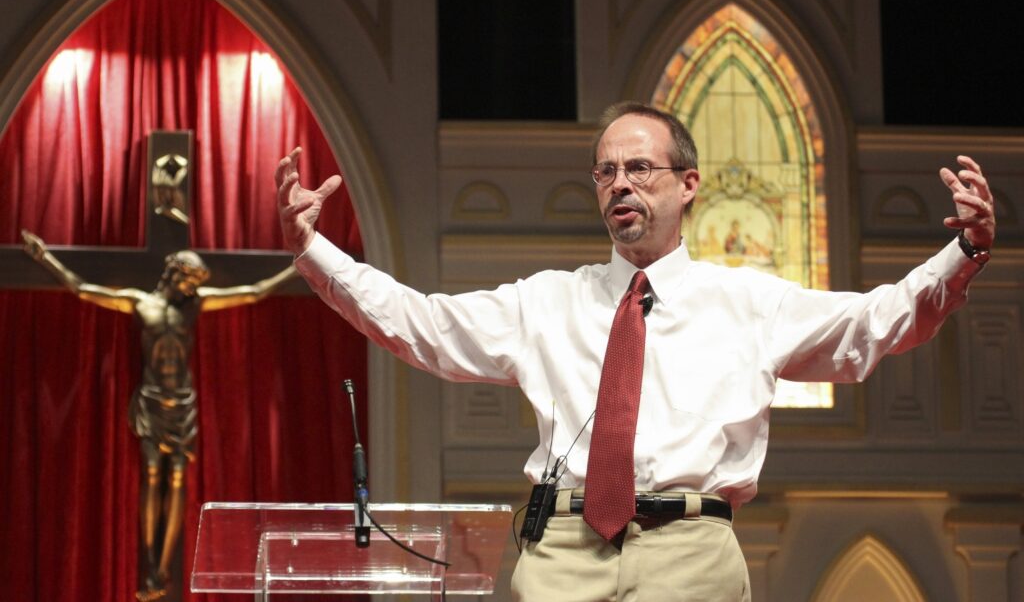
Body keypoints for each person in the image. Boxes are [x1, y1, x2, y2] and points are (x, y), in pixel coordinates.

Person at [275, 101, 995, 602]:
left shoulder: (750, 303)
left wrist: (963, 253)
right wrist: (315, 250)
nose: (620, 182)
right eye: (606, 171)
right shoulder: (547, 300)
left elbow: (877, 322)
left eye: (640, 168)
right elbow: (421, 323)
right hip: (563, 548)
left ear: (687, 185)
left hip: (689, 548)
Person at [21, 232, 297, 602]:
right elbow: (84, 289)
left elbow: (254, 291)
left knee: (179, 478)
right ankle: (150, 564)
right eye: (190, 280)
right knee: (152, 475)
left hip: (182, 404)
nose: (193, 287)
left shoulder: (195, 306)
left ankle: (163, 569)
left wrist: (296, 269)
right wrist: (45, 259)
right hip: (152, 402)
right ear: (174, 273)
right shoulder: (140, 304)